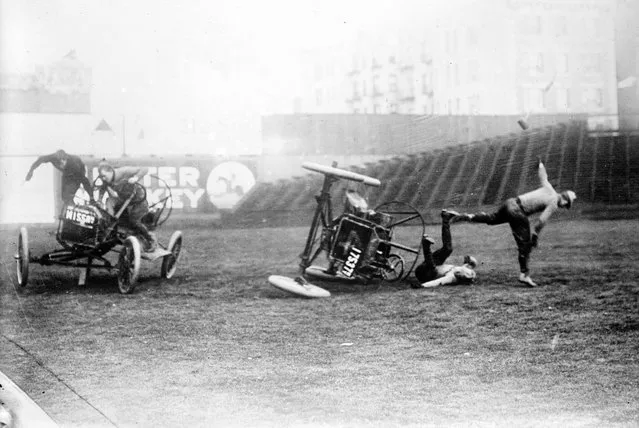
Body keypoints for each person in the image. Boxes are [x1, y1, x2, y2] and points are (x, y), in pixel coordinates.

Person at [446, 160, 576, 287]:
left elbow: (543, 176)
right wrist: (535, 234)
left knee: (492, 218)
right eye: (566, 205)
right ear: (565, 200)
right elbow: (542, 220)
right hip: (518, 212)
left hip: (511, 202)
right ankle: (524, 274)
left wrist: (541, 164)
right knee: (525, 245)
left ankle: (468, 216)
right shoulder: (554, 202)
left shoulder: (550, 189)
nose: (564, 207)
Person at [96, 161, 157, 252]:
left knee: (134, 221)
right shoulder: (106, 179)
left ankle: (151, 239)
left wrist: (135, 178)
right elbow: (103, 188)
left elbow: (145, 168)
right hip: (123, 200)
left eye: (105, 176)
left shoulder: (123, 171)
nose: (103, 179)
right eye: (102, 177)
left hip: (137, 200)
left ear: (111, 172)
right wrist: (99, 200)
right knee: (111, 217)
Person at [413, 210, 478, 288]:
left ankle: (426, 245)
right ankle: (446, 218)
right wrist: (470, 262)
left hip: (424, 273)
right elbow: (469, 264)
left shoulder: (452, 277)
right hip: (431, 265)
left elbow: (438, 281)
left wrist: (422, 285)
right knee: (448, 249)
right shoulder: (466, 270)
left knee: (432, 268)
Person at [25, 149, 94, 204]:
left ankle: (72, 203)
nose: (62, 163)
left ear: (67, 159)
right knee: (64, 197)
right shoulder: (52, 157)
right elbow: (39, 160)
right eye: (60, 162)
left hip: (77, 172)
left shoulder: (73, 163)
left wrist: (91, 197)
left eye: (64, 161)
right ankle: (70, 204)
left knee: (70, 192)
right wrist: (31, 171)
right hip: (66, 173)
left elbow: (85, 181)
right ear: (56, 160)